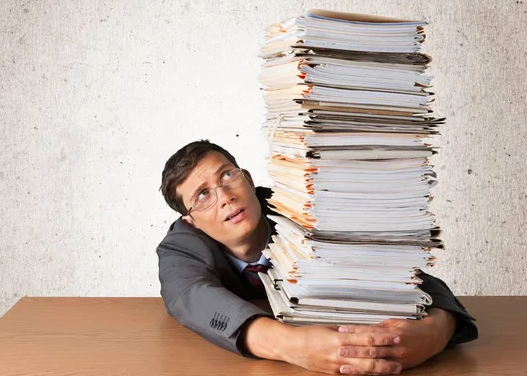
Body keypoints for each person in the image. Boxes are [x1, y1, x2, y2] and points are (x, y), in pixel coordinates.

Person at [157, 140, 477, 375]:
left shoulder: (308, 210)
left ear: (249, 180)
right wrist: (289, 345)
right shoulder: (181, 245)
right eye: (202, 196)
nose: (224, 197)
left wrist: (437, 330)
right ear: (191, 220)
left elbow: (411, 278)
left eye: (227, 176)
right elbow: (188, 294)